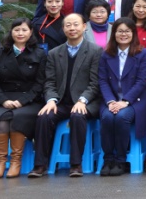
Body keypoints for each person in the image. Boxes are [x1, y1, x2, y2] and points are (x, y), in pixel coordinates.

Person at [27, 13, 101, 178]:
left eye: (76, 24)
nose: (72, 28)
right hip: (61, 102)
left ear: (84, 27)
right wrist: (51, 100)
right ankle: (40, 164)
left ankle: (76, 164)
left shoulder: (95, 51)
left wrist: (82, 100)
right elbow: (49, 82)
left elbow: (95, 83)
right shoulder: (54, 53)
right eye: (68, 25)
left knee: (77, 116)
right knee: (44, 116)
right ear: (63, 29)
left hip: (86, 102)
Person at [0, 19, 47, 179]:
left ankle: (15, 161)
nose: (20, 33)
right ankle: (1, 162)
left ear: (31, 32)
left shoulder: (39, 54)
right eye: (16, 30)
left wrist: (23, 100)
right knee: (0, 118)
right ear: (11, 32)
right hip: (4, 99)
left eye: (24, 30)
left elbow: (40, 83)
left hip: (29, 100)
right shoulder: (2, 53)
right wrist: (3, 100)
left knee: (18, 117)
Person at [96, 18, 146, 176]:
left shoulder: (142, 53)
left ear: (133, 33)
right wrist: (111, 101)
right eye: (120, 31)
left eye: (127, 31)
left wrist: (125, 101)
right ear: (114, 33)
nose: (123, 34)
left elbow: (141, 81)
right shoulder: (106, 54)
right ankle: (108, 159)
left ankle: (121, 160)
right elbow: (102, 80)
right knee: (107, 117)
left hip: (135, 100)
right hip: (111, 99)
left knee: (121, 117)